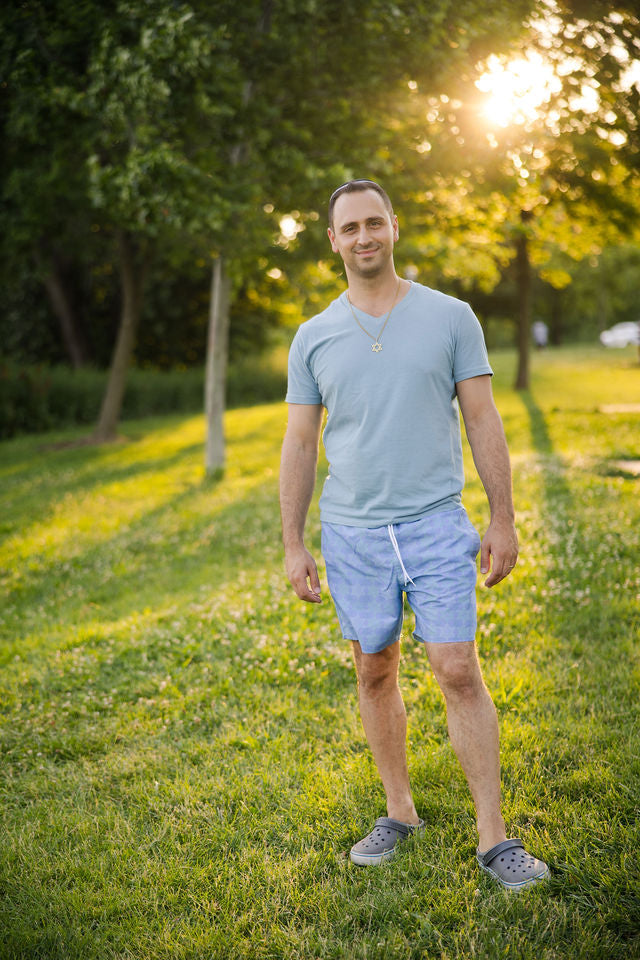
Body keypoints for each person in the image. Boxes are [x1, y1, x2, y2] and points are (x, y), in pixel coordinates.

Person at [279, 179, 548, 890]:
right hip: (353, 533)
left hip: (435, 523)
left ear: (394, 228)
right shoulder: (313, 337)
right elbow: (300, 444)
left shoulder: (451, 317)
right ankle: (400, 813)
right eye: (350, 228)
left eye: (376, 223)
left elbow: (483, 419)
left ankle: (495, 838)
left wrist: (502, 516)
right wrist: (293, 542)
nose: (365, 237)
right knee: (375, 668)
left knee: (458, 670)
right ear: (333, 241)